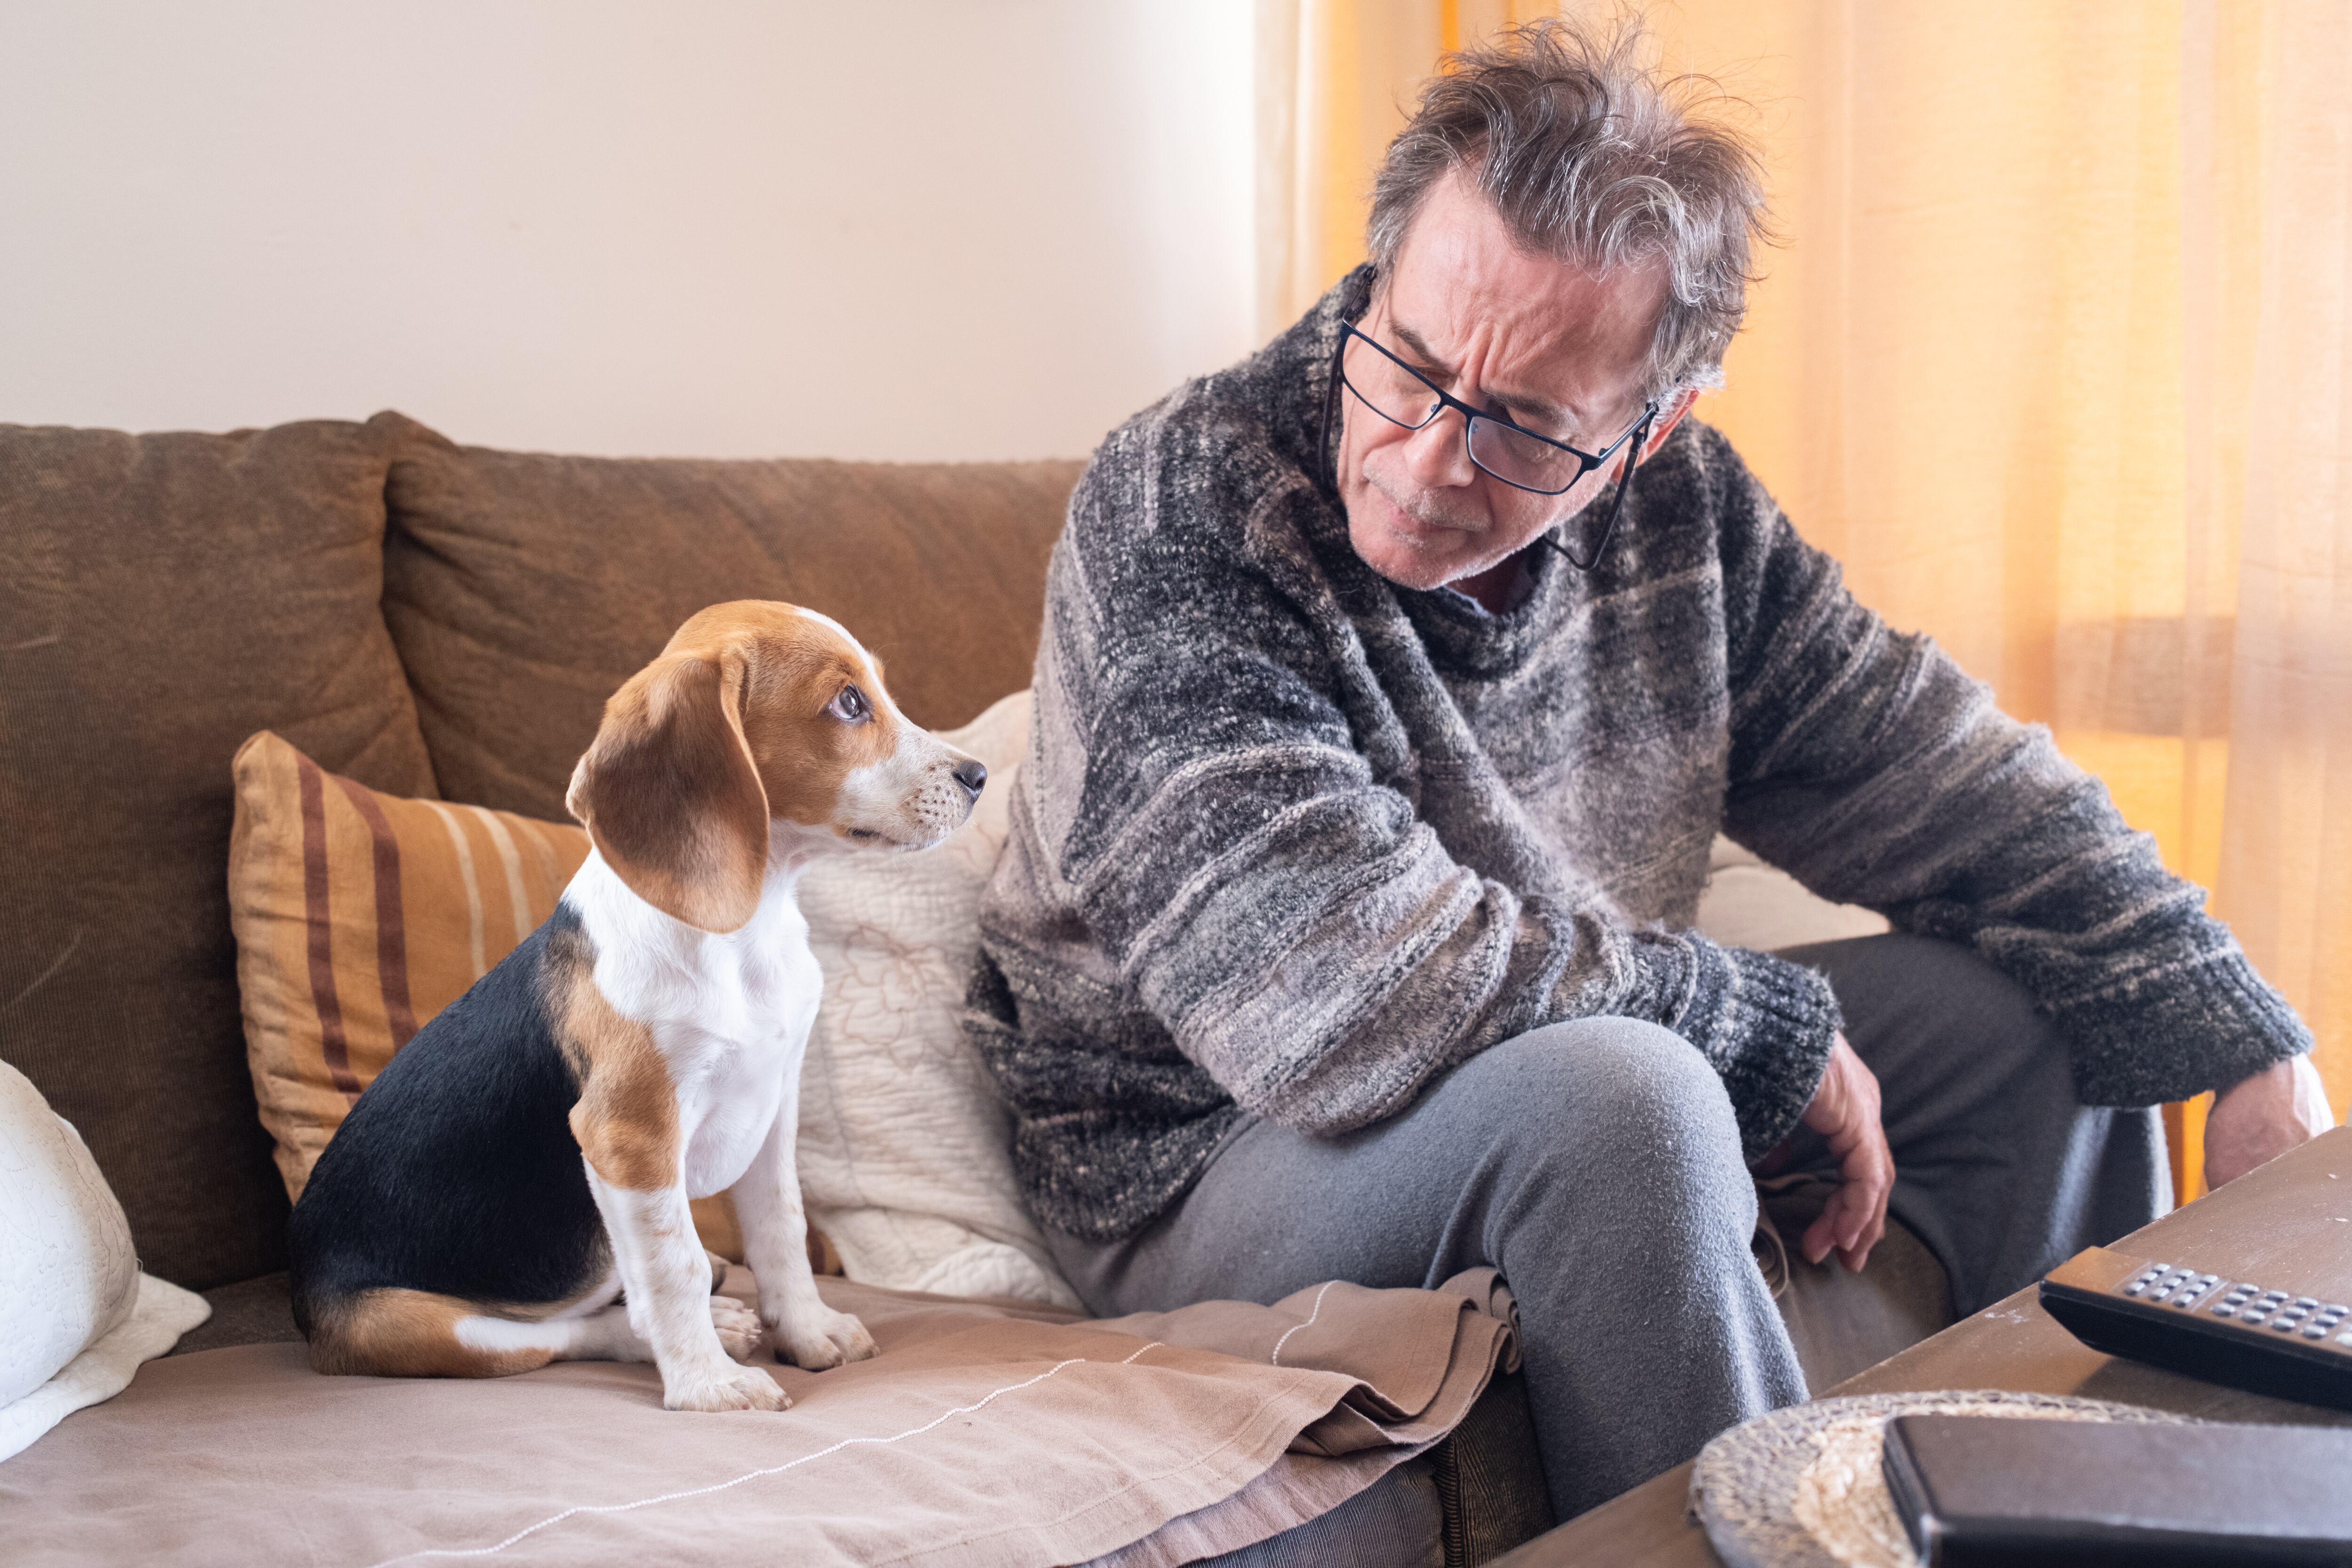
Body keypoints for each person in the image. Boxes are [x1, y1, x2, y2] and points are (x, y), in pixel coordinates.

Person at [966, 18, 2334, 1519]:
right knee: (1631, 1099)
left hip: (1520, 1041)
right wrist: (1751, 1025)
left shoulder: (1686, 513)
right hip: (1204, 1151)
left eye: (1525, 429)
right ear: (1376, 281)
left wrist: (2228, 1020)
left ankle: (2061, 1526)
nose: (1428, 459)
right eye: (1409, 367)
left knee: (2050, 1019)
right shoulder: (1184, 506)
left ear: (1648, 431)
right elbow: (1325, 988)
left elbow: (1935, 765)